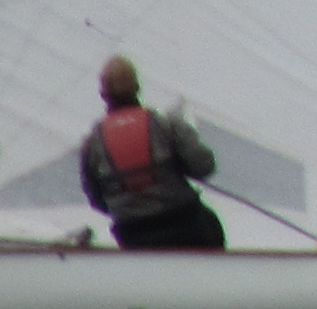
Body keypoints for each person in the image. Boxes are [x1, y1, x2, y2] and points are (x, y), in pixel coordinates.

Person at [78, 56, 224, 251]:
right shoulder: (167, 124)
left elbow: (96, 200)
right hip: (185, 224)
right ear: (137, 87)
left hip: (133, 234)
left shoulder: (92, 144)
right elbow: (204, 167)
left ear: (103, 94)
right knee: (211, 223)